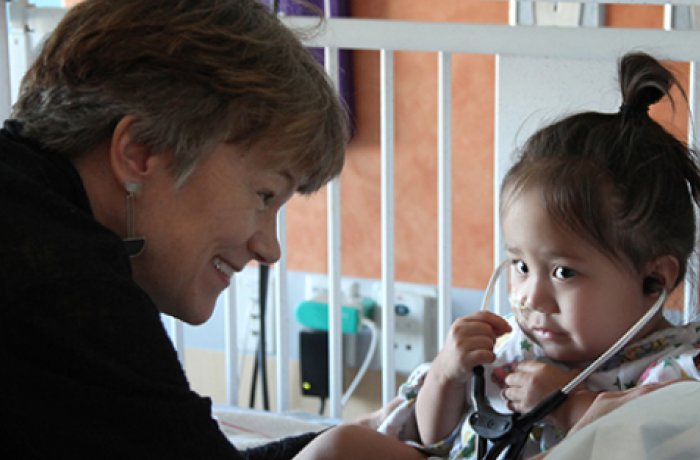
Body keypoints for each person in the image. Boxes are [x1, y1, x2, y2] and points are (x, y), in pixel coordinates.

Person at [294, 52, 700, 460]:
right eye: (521, 266)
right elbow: (430, 437)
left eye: (563, 272)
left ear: (655, 281)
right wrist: (447, 375)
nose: (531, 298)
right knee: (339, 446)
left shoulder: (677, 373)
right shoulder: (507, 350)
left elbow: (654, 444)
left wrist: (568, 406)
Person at [0, 1, 347, 458]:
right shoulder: (63, 282)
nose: (269, 247)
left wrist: (347, 439)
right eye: (264, 195)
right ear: (141, 150)